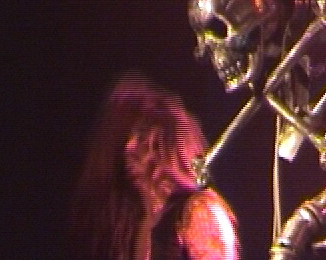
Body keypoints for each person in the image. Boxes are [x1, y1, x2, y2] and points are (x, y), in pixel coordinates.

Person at [67, 71, 240, 260]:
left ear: (166, 153)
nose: (131, 152)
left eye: (145, 145)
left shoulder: (197, 210)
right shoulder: (137, 225)